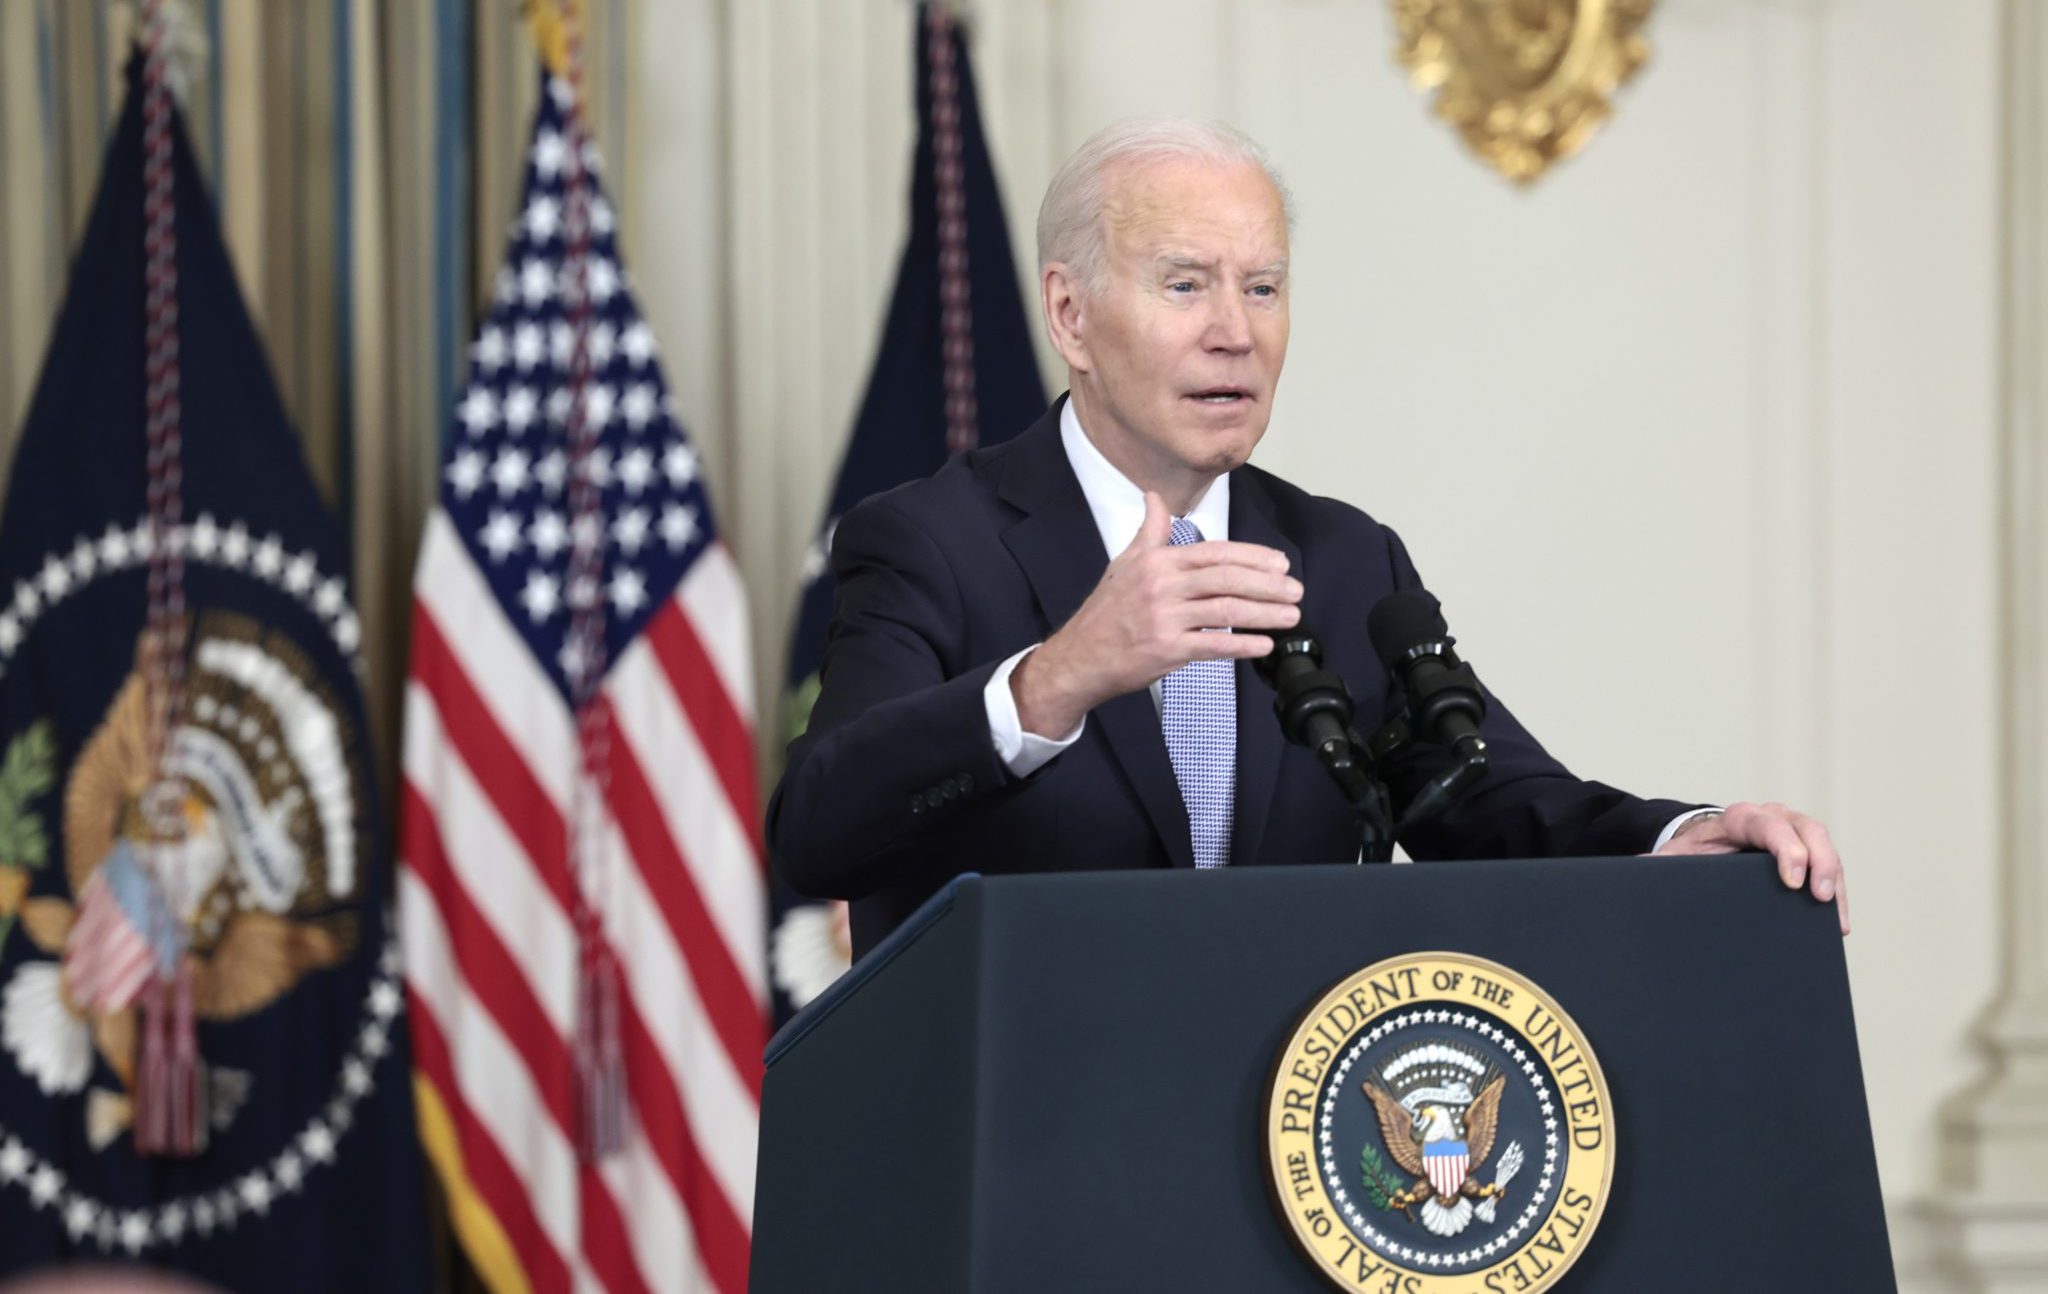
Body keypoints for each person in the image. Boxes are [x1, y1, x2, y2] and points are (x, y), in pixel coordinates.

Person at [767, 118, 1847, 959]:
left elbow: (1488, 799)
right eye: (1183, 284)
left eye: (1263, 287)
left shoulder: (1340, 559)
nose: (1233, 329)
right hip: (1022, 1159)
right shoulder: (927, 541)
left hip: (1282, 1171)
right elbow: (821, 827)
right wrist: (1051, 682)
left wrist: (1681, 839)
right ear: (1069, 316)